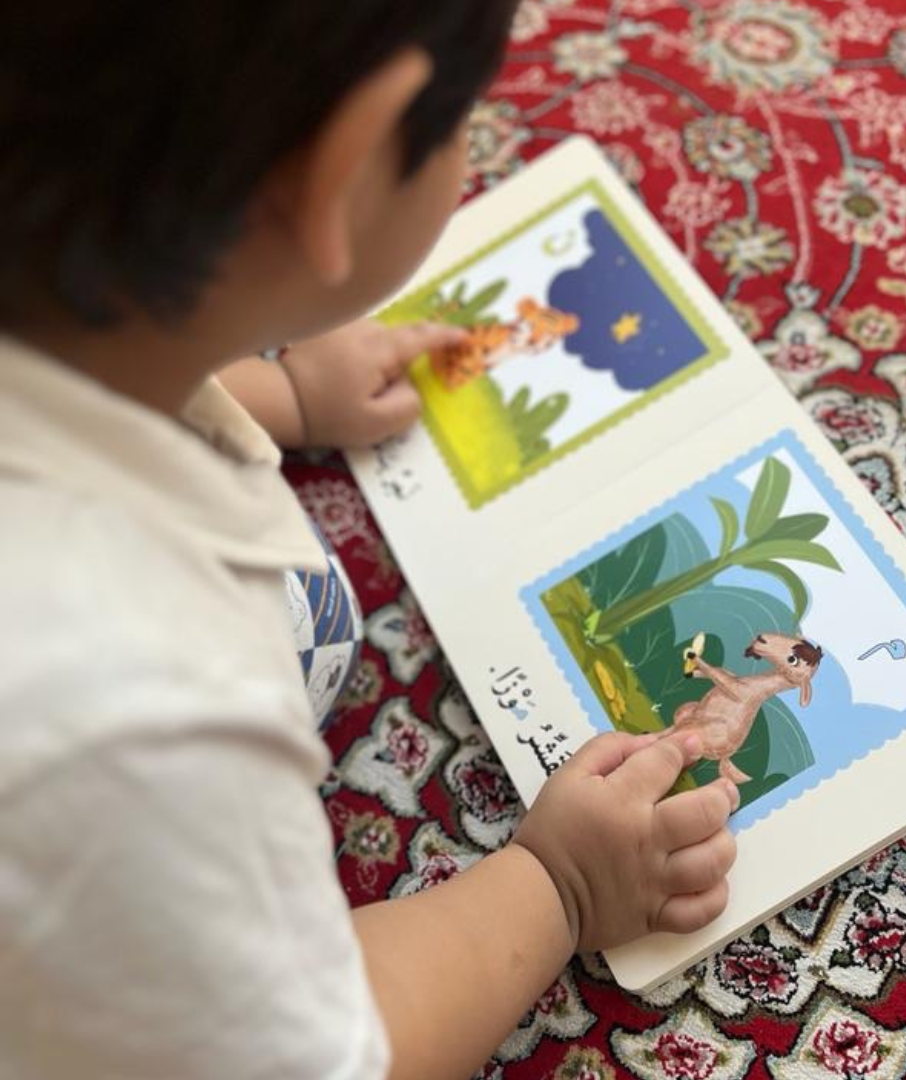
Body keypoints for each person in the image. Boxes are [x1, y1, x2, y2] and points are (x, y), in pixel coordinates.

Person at [0, 3, 739, 1079]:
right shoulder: (138, 712)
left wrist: (283, 391)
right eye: (463, 125)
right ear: (345, 171)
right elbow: (318, 1056)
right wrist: (559, 886)